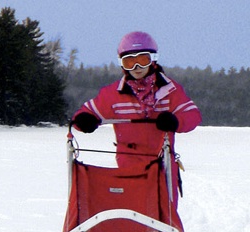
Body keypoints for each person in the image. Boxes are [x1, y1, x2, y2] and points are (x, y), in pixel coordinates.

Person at [71, 31, 201, 202]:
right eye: (130, 62)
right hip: (128, 165)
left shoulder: (170, 90)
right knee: (132, 210)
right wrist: (85, 121)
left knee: (163, 213)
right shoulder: (114, 94)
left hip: (162, 165)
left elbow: (192, 115)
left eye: (142, 60)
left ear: (153, 59)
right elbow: (85, 113)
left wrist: (176, 121)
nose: (137, 67)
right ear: (122, 64)